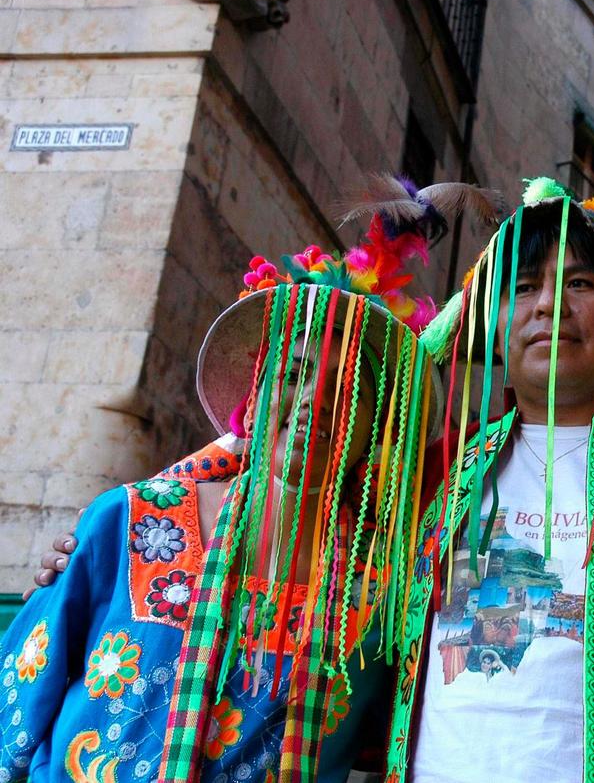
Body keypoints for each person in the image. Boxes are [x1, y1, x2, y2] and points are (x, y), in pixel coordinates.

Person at [31, 177, 594, 782]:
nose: (548, 307)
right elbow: (306, 452)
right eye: (521, 287)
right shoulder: (442, 465)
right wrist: (122, 527)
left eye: (579, 284)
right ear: (491, 320)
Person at [0, 177, 498, 781]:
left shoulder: (385, 594)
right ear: (253, 400)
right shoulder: (130, 522)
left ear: (377, 429)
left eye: (349, 390)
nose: (315, 400)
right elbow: (16, 714)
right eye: (295, 373)